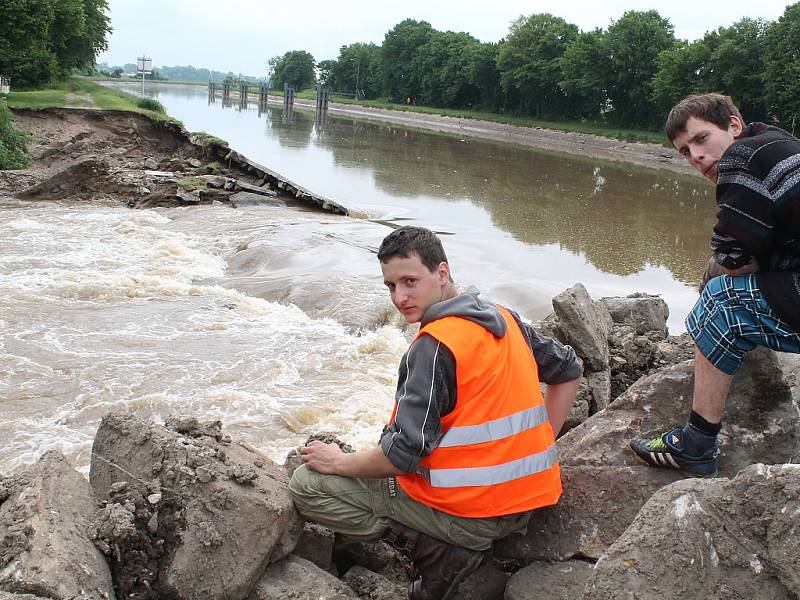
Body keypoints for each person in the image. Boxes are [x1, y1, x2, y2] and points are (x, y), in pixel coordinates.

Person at [289, 226, 583, 600]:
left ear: (442, 273)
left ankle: (438, 551)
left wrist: (338, 462)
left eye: (410, 281)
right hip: (529, 500)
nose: (400, 297)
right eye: (391, 286)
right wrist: (542, 442)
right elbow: (569, 370)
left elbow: (401, 456)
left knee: (306, 484)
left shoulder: (433, 347)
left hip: (471, 515)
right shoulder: (504, 318)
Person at [630, 93, 800, 477]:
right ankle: (717, 351)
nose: (697, 157)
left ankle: (696, 443)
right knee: (719, 284)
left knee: (721, 300)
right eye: (686, 152)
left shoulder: (744, 158)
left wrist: (711, 294)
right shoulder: (777, 143)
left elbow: (733, 256)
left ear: (734, 126)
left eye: (701, 139)